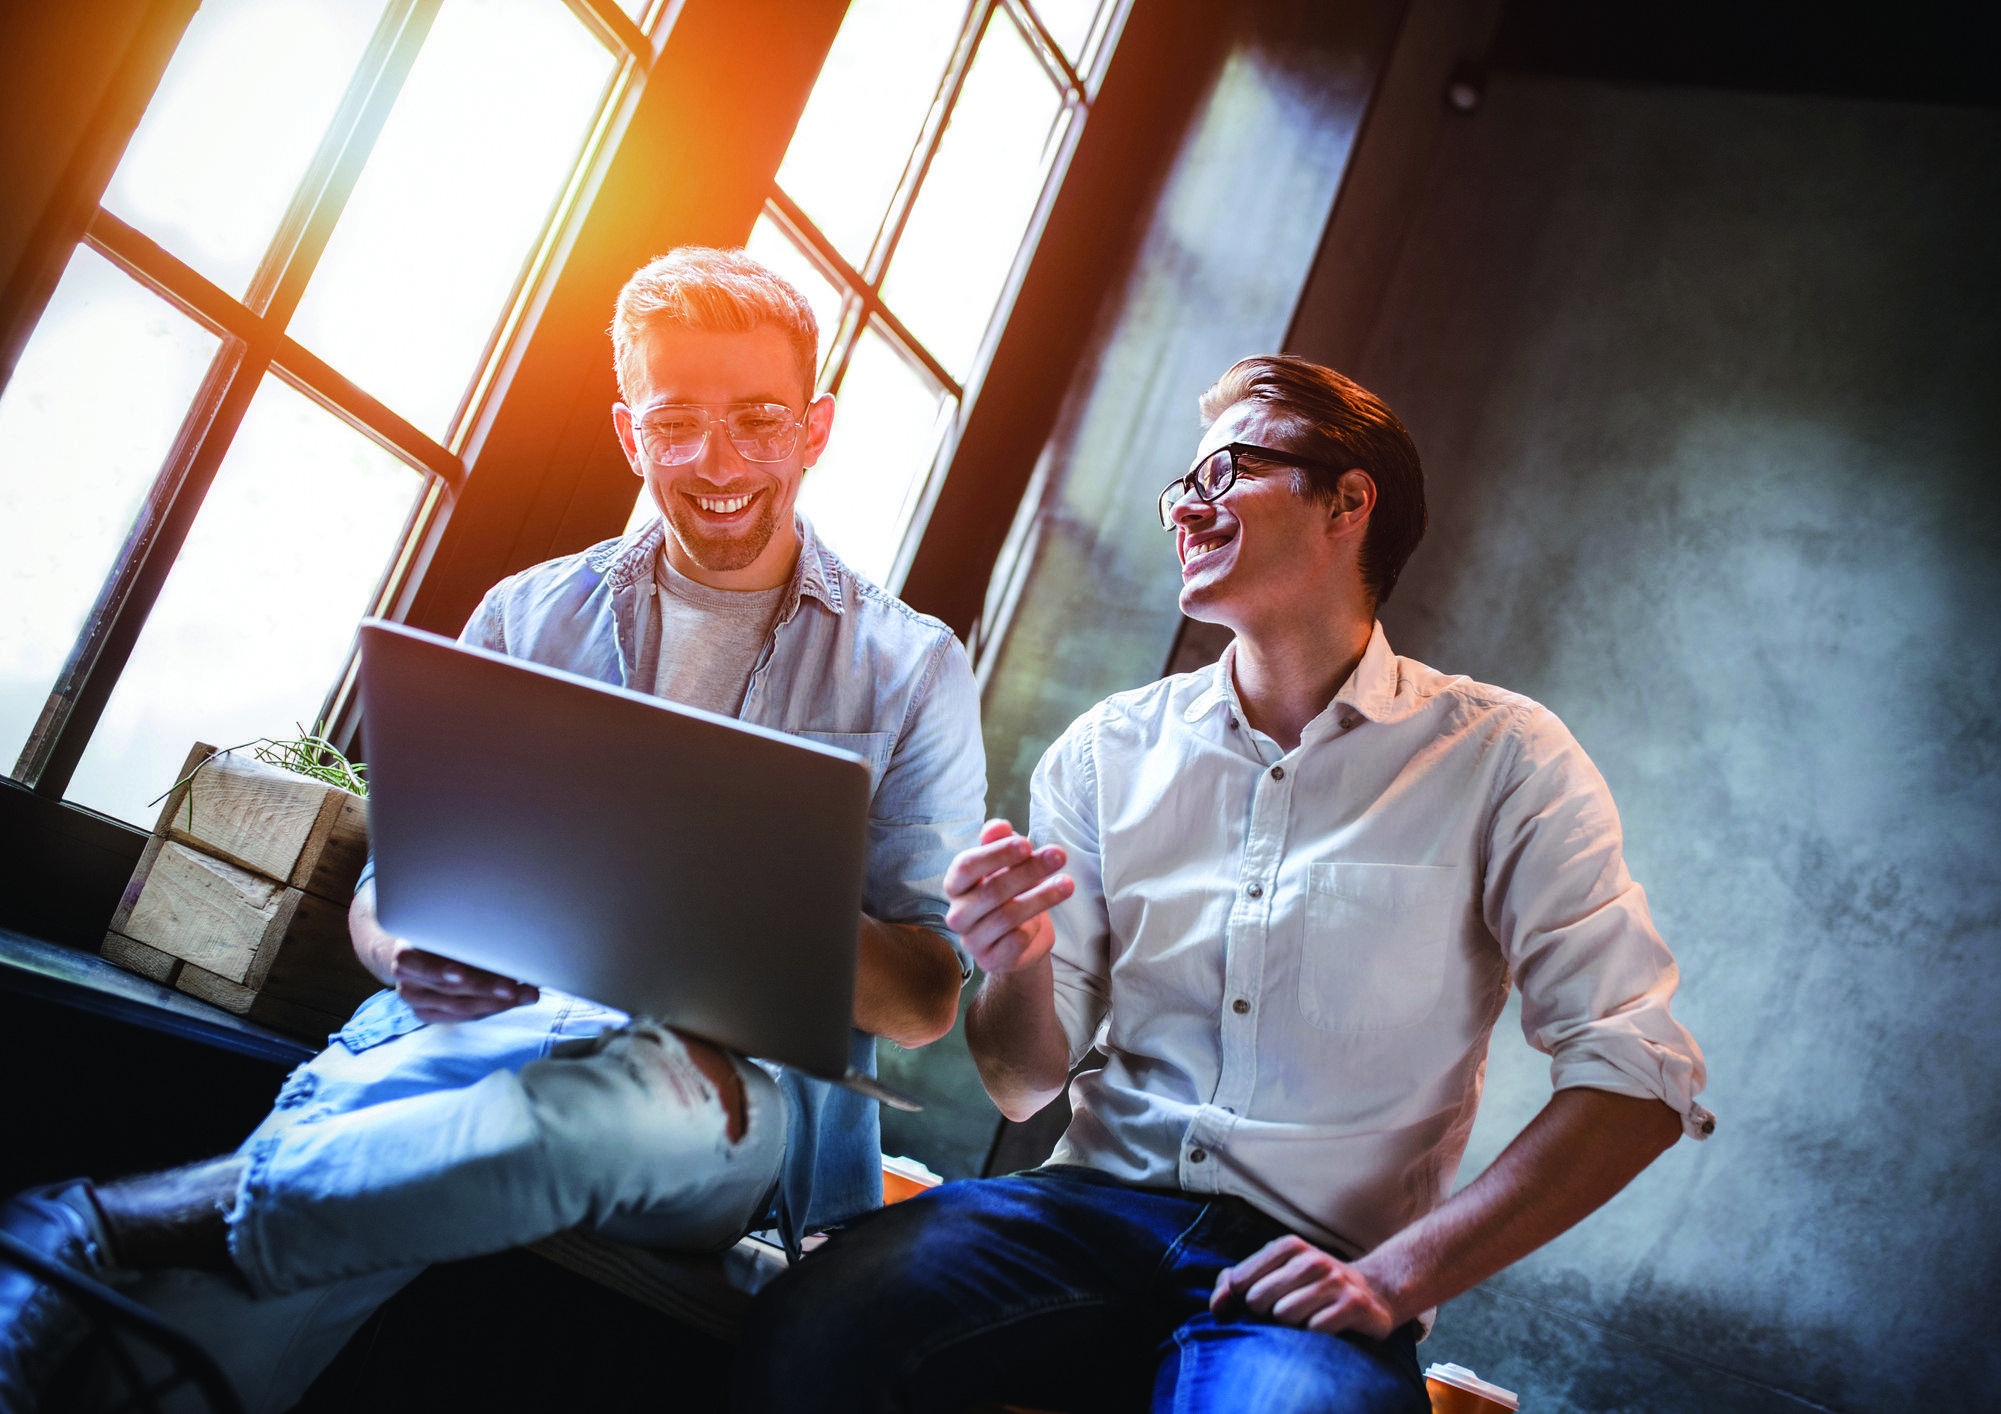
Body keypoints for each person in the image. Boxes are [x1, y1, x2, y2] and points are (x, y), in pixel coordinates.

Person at [0, 247, 984, 1412]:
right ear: (629, 434)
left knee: (570, 1120)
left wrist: (727, 883)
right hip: (470, 1036)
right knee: (223, 1326)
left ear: (815, 429)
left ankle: (112, 1214)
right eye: (676, 423)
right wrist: (402, 948)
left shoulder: (909, 665)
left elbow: (925, 996)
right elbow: (391, 891)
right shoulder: (528, 612)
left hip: (721, 1093)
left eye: (758, 421)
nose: (715, 463)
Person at [734, 355, 1713, 1413]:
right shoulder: (1104, 750)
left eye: (1225, 472)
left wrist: (1394, 1278)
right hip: (1076, 1214)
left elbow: (1637, 1076)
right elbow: (1021, 1084)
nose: (1186, 509)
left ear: (1347, 500)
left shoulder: (1506, 757)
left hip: (1313, 1270)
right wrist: (1016, 964)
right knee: (808, 1330)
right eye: (1179, 487)